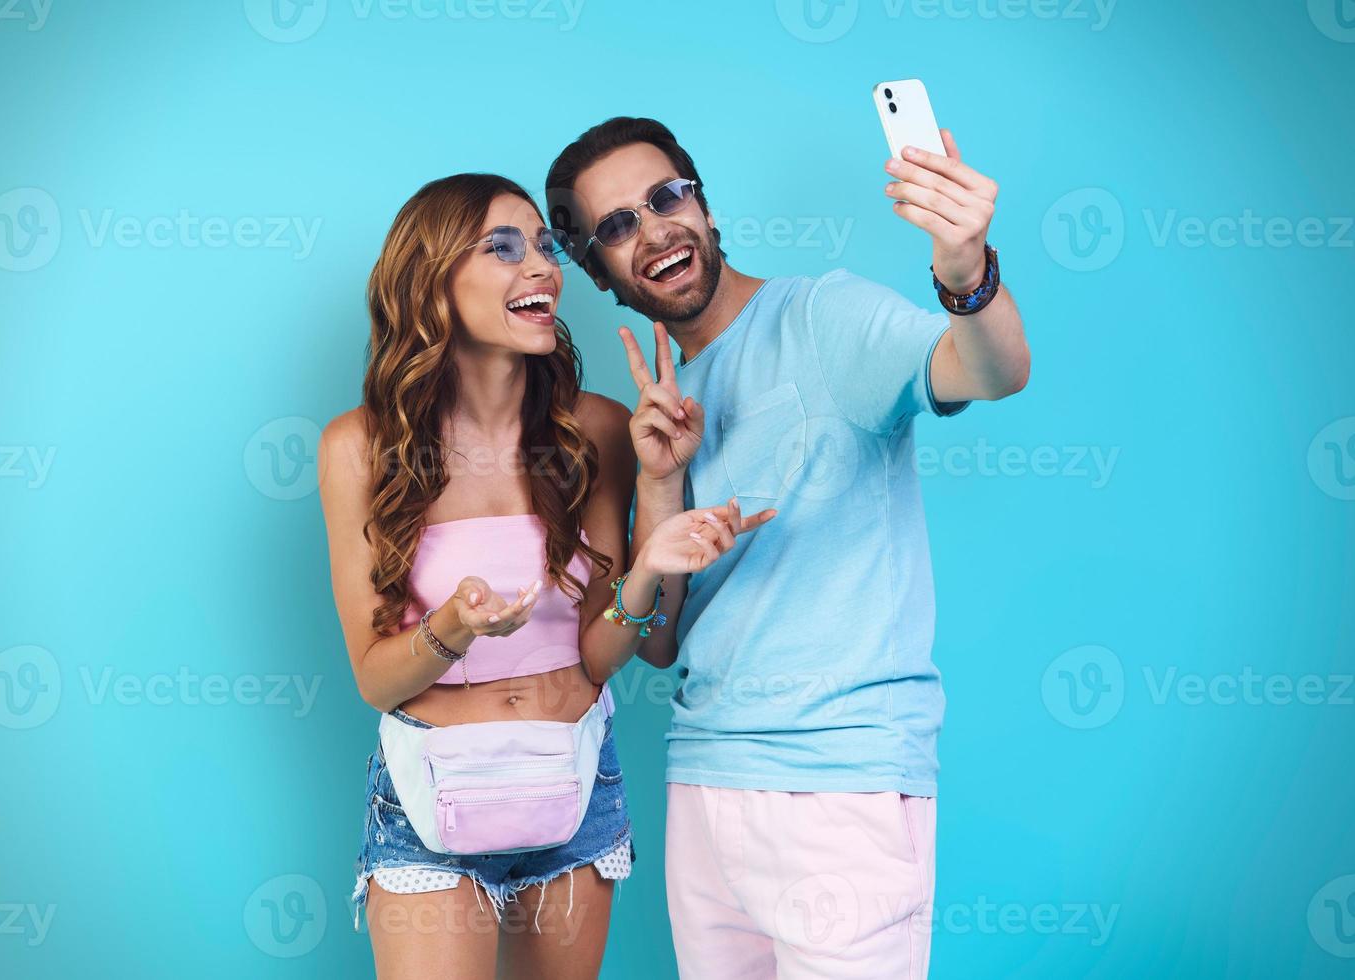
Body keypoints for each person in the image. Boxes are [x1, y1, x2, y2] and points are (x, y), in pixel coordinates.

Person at [545, 117, 1031, 978]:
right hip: (704, 783)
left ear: (702, 202)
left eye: (667, 197)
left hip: (839, 782)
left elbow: (990, 371)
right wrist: (659, 483)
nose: (654, 230)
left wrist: (967, 272)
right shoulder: (661, 404)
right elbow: (657, 645)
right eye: (617, 226)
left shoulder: (821, 318)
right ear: (599, 273)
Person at [317, 172, 774, 979]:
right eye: (502, 248)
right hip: (430, 796)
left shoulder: (594, 428)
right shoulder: (360, 447)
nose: (541, 267)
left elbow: (599, 655)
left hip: (573, 783)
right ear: (432, 282)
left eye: (543, 245)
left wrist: (649, 563)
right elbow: (374, 679)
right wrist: (453, 627)